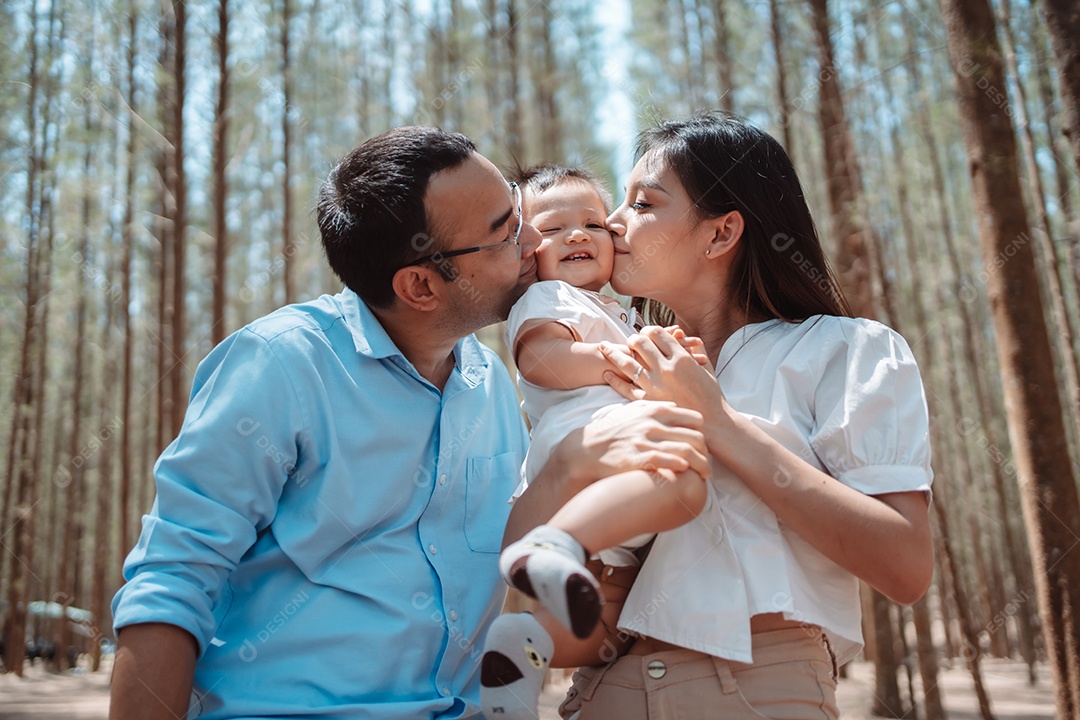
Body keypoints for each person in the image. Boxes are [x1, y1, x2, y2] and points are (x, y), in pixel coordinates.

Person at [107, 126, 711, 720]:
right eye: (506, 231)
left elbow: (527, 547)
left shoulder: (492, 384)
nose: (534, 241)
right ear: (420, 285)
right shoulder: (282, 364)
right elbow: (175, 578)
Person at [505, 113, 935, 719]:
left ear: (721, 232)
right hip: (601, 691)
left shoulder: (847, 349)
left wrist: (719, 422)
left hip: (757, 687)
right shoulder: (612, 365)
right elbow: (518, 556)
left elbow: (905, 567)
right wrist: (569, 467)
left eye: (642, 203)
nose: (612, 222)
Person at [478, 165, 710, 719]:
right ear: (526, 253)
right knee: (684, 483)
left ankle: (523, 650)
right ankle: (554, 545)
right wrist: (619, 358)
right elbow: (540, 359)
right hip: (588, 441)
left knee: (611, 622)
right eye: (553, 229)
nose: (577, 235)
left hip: (613, 477)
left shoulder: (620, 314)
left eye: (592, 224)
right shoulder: (549, 297)